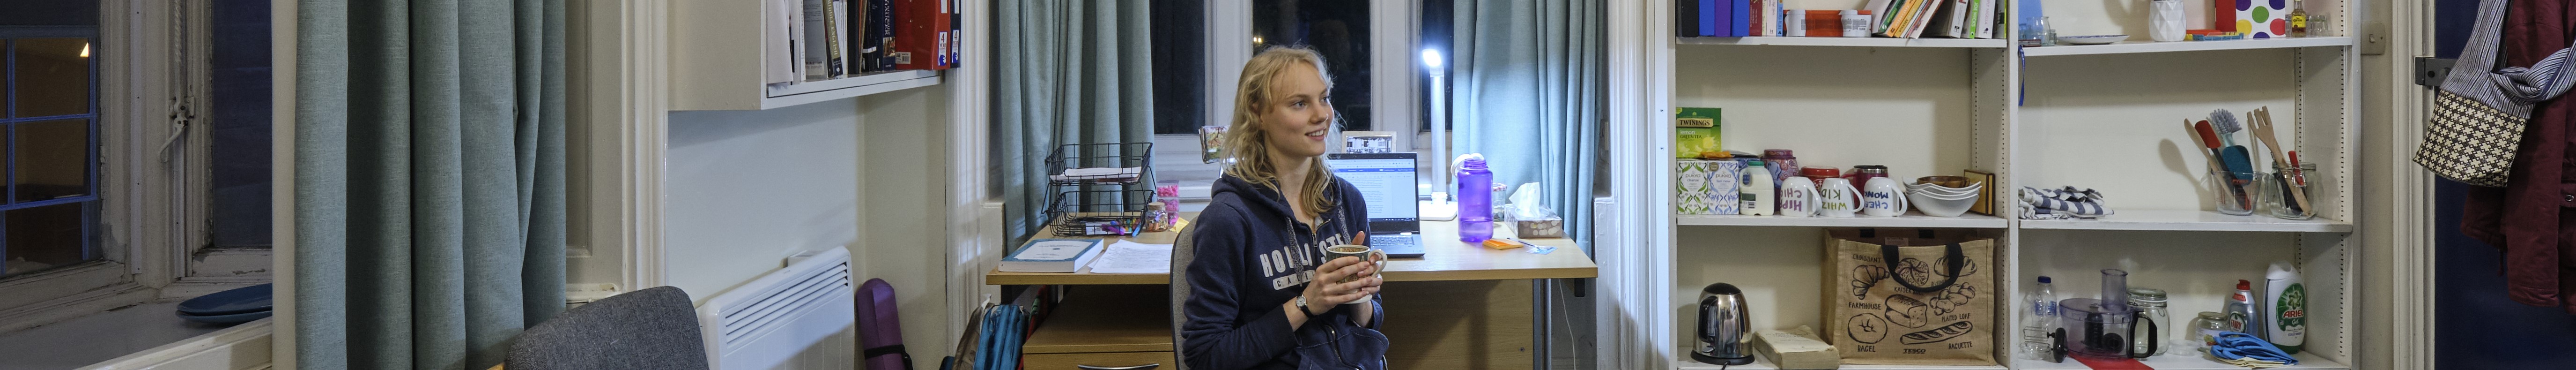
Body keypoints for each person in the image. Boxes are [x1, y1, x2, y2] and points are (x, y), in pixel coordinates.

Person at [1180, 46, 1389, 370]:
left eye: (1325, 98)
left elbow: (1367, 323)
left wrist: (1360, 296)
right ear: (1258, 113)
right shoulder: (1228, 220)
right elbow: (1206, 356)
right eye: (1300, 103)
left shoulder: (1348, 202)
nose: (1322, 115)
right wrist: (1306, 304)